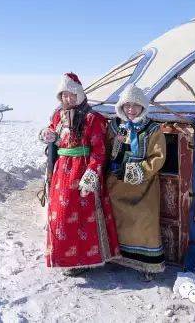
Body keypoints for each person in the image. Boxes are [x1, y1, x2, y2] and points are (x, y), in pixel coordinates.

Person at [39, 72, 120, 274]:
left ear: (80, 95)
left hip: (81, 170)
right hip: (61, 171)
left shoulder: (93, 118)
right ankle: (64, 257)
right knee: (59, 215)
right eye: (63, 95)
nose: (67, 99)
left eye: (71, 94)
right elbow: (52, 132)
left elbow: (99, 150)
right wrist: (46, 134)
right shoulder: (58, 115)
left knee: (81, 217)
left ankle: (83, 260)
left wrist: (91, 174)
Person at [105, 84, 166, 278]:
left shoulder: (152, 129)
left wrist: (138, 171)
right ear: (121, 107)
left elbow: (158, 157)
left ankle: (146, 263)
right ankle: (117, 256)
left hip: (143, 185)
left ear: (143, 107)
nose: (131, 110)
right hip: (116, 184)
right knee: (116, 221)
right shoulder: (115, 126)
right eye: (127, 105)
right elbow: (105, 149)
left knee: (144, 221)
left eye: (135, 106)